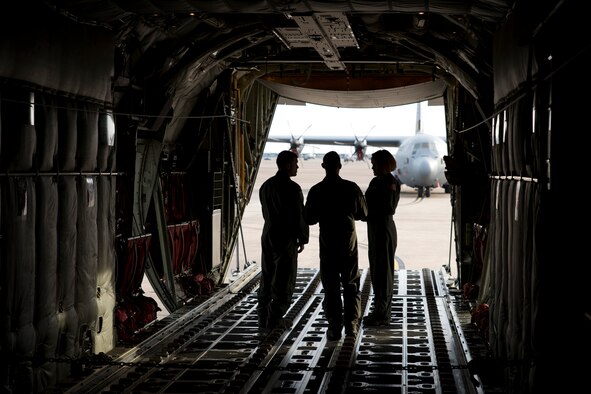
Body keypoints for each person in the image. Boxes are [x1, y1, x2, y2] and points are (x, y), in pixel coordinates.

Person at [304, 151, 368, 340]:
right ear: (340, 166)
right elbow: (363, 213)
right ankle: (351, 326)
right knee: (351, 285)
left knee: (331, 287)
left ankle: (334, 327)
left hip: (328, 244)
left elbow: (309, 219)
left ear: (324, 167)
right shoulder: (352, 188)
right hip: (348, 244)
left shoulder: (317, 190)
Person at [258, 150, 309, 330]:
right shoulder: (292, 188)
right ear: (287, 165)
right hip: (285, 237)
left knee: (267, 273)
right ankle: (276, 318)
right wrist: (302, 238)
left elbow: (265, 212)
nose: (297, 167)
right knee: (284, 278)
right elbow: (298, 216)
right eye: (295, 163)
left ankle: (262, 316)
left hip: (268, 234)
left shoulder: (266, 186)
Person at [363, 149, 401, 326]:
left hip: (383, 228)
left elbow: (389, 207)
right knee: (377, 270)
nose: (372, 167)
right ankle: (379, 309)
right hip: (374, 228)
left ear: (383, 164)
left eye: (375, 163)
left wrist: (368, 210)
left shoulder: (390, 182)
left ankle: (383, 313)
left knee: (384, 271)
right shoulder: (376, 181)